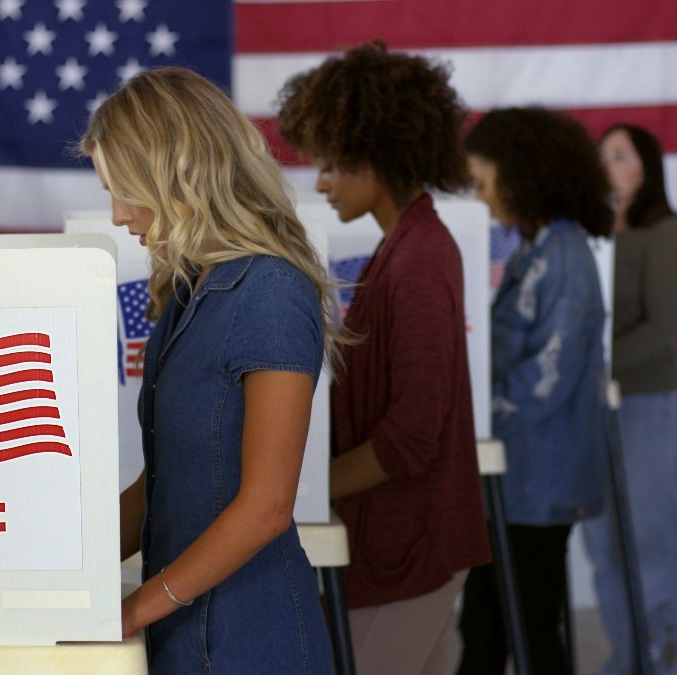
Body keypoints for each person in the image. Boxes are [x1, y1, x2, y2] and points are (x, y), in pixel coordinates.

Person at [81, 66, 348, 675]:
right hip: (181, 632)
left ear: (177, 174)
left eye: (125, 190)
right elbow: (165, 484)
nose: (120, 215)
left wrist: (129, 612)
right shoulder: (185, 292)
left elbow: (267, 507)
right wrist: (65, 566)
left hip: (253, 639)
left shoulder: (271, 289)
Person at [277, 41, 491, 674]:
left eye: (333, 163)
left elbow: (412, 438)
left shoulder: (420, 258)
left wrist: (298, 494)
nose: (319, 180)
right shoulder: (405, 247)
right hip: (404, 542)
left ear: (378, 153)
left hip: (412, 543)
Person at [456, 107, 613, 675]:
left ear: (521, 175)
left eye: (482, 183)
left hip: (538, 481)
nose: (479, 198)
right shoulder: (536, 248)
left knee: (527, 632)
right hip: (516, 476)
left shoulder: (564, 257)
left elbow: (548, 376)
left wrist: (471, 417)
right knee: (488, 626)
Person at [582, 123, 677, 675]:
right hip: (595, 410)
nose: (610, 167)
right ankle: (630, 661)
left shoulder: (665, 233)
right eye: (603, 157)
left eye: (621, 156)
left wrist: (587, 370)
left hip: (651, 404)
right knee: (603, 549)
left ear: (647, 167)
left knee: (651, 544)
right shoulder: (589, 236)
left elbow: (660, 332)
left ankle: (670, 665)